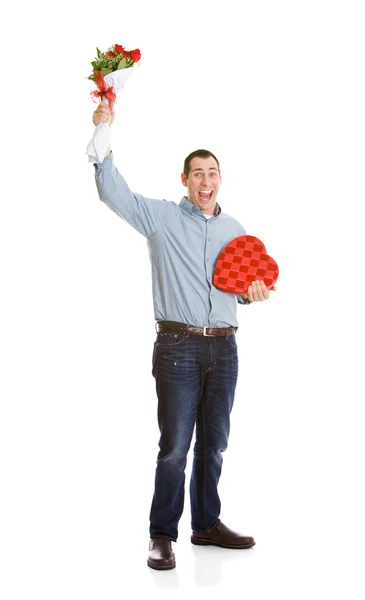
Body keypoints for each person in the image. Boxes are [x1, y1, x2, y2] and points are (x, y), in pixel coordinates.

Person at [91, 100, 276, 570]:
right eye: (197, 173)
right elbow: (113, 192)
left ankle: (206, 524)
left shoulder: (235, 229)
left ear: (220, 180)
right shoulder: (161, 219)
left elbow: (241, 288)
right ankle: (161, 535)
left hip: (226, 347)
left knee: (214, 443)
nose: (206, 181)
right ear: (185, 181)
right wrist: (104, 131)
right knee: (174, 447)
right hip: (178, 347)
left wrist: (254, 294)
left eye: (212, 173)